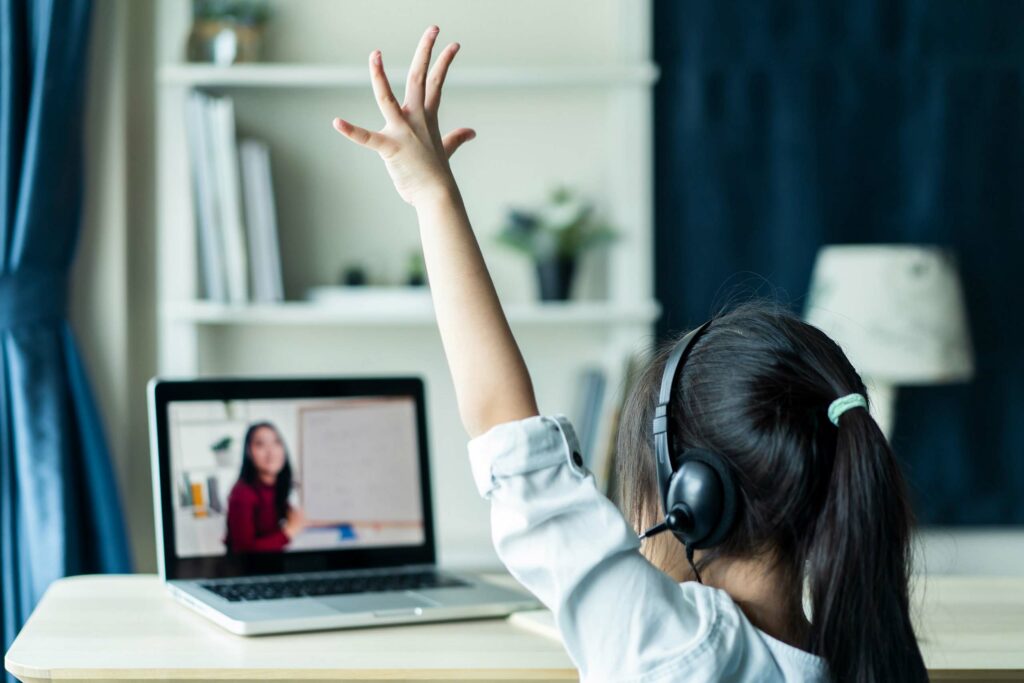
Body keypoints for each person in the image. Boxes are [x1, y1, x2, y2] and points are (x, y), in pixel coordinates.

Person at [331, 27, 929, 683]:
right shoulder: (863, 656)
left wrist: (431, 196)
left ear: (693, 500)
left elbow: (505, 425)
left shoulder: (673, 647)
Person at [224, 422, 307, 553]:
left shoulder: (275, 483)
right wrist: (290, 532)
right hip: (249, 569)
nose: (271, 452)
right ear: (248, 452)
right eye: (260, 444)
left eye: (276, 442)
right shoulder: (242, 494)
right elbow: (244, 552)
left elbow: (292, 515)